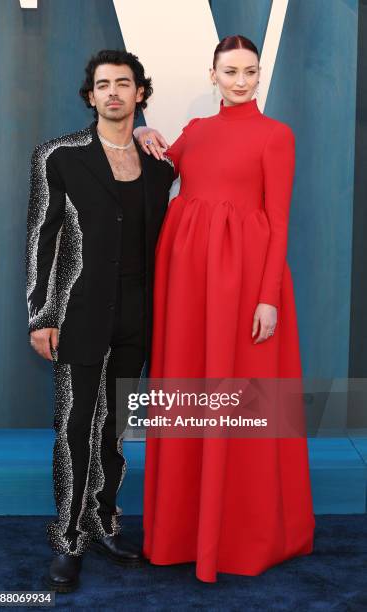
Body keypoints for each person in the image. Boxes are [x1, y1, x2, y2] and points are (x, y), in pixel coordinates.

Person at [134, 35, 315, 583]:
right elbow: (164, 161)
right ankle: (182, 532)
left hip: (244, 285)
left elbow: (279, 220)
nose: (241, 81)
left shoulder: (276, 136)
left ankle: (243, 536)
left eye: (250, 72)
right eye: (231, 71)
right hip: (188, 283)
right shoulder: (196, 133)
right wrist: (143, 129)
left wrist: (267, 297)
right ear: (212, 74)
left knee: (245, 397)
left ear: (260, 76)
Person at [26, 49, 174, 592]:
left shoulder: (161, 165)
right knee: (75, 427)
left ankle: (104, 520)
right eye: (103, 84)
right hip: (80, 311)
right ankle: (68, 538)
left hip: (139, 314)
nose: (113, 92)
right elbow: (42, 238)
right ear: (91, 96)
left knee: (115, 427)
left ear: (140, 94)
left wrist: (153, 135)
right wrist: (40, 314)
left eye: (124, 83)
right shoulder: (59, 157)